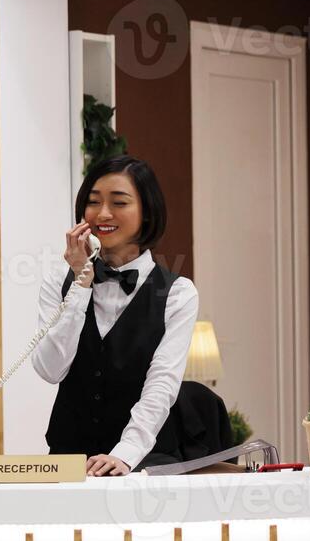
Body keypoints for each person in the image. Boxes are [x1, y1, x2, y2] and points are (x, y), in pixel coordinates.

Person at [34, 155, 198, 476]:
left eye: (119, 202)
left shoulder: (178, 293)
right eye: (93, 202)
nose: (103, 214)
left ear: (147, 212)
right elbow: (50, 369)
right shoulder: (58, 280)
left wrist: (124, 454)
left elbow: (162, 384)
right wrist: (81, 282)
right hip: (68, 461)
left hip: (145, 463)